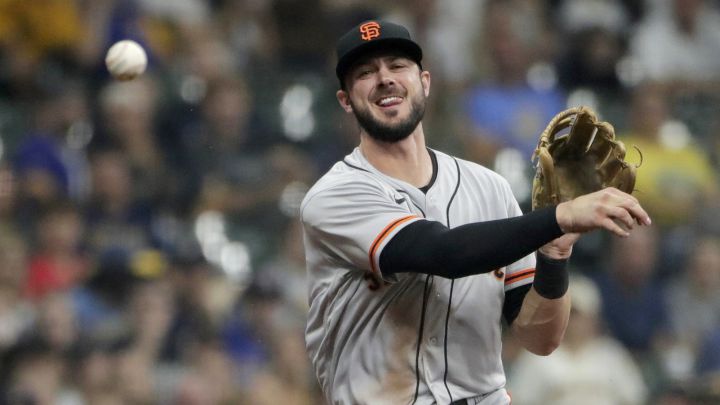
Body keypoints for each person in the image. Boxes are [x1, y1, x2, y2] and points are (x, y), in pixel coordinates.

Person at [300, 20, 651, 405]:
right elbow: (443, 252)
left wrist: (554, 253)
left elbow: (540, 339)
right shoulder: (334, 196)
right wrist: (559, 217)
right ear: (346, 100)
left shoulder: (489, 187)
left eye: (397, 65)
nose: (385, 78)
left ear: (425, 82)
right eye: (365, 73)